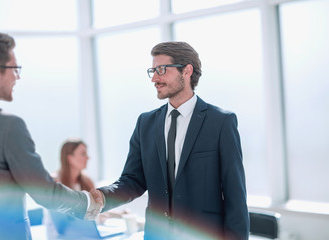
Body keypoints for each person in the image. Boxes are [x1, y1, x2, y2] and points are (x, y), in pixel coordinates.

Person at [94, 41, 249, 240]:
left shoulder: (221, 122)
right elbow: (133, 180)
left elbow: (235, 195)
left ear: (187, 71)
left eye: (161, 70)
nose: (154, 79)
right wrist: (103, 196)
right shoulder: (146, 123)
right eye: (153, 71)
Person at [0, 29, 102, 240]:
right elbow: (44, 192)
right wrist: (89, 202)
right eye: (14, 68)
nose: (17, 76)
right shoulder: (8, 125)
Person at [44, 138, 128, 239]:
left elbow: (96, 209)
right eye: (83, 154)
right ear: (70, 158)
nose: (88, 157)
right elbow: (65, 219)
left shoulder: (86, 181)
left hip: (82, 234)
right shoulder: (54, 181)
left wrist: (120, 214)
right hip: (61, 235)